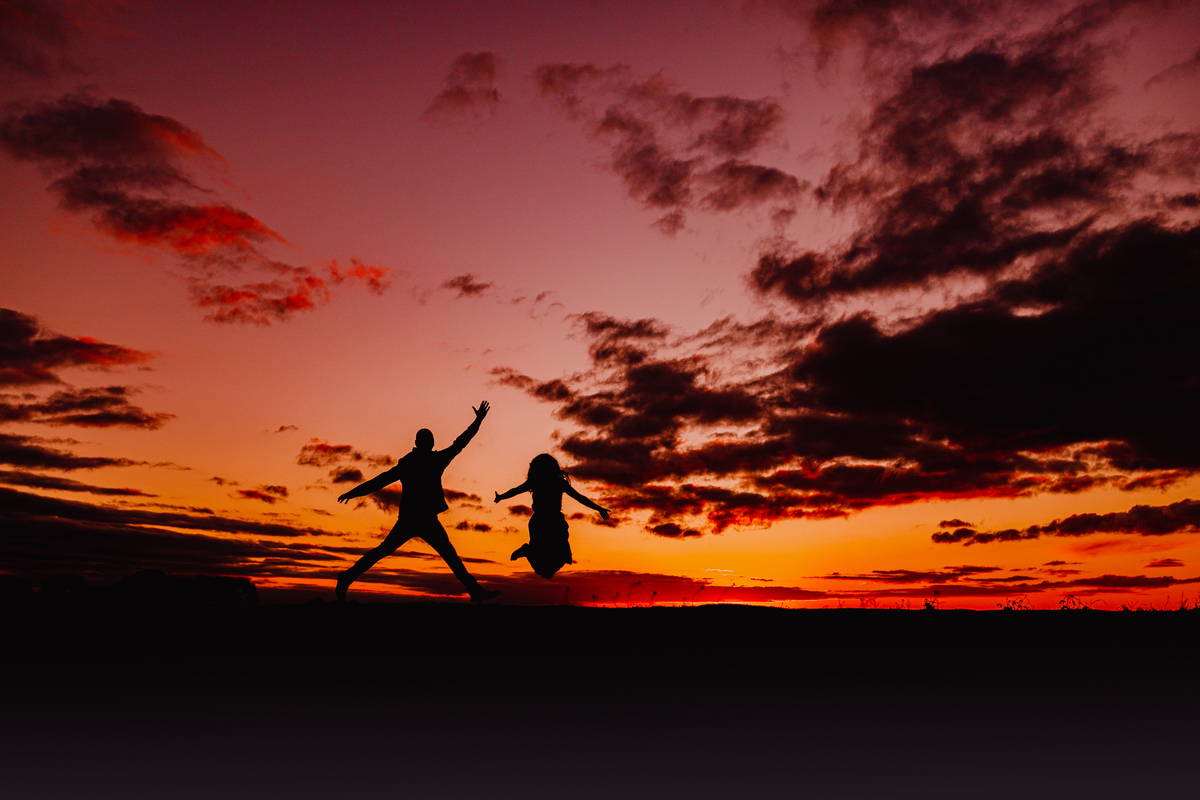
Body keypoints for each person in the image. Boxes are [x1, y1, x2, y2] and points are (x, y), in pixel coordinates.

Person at [335, 401, 500, 603]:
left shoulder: (414, 462)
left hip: (417, 518)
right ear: (429, 443)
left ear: (417, 442)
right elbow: (461, 443)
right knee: (448, 556)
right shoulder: (433, 460)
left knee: (389, 551)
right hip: (418, 519)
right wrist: (478, 420)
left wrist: (354, 492)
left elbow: (380, 480)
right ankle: (474, 590)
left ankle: (347, 577)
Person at [495, 453, 609, 579]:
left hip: (553, 521)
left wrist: (599, 508)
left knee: (555, 560)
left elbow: (580, 498)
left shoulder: (551, 482)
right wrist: (501, 497)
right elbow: (515, 490)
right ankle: (527, 551)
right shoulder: (541, 482)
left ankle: (530, 552)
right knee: (543, 563)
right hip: (543, 522)